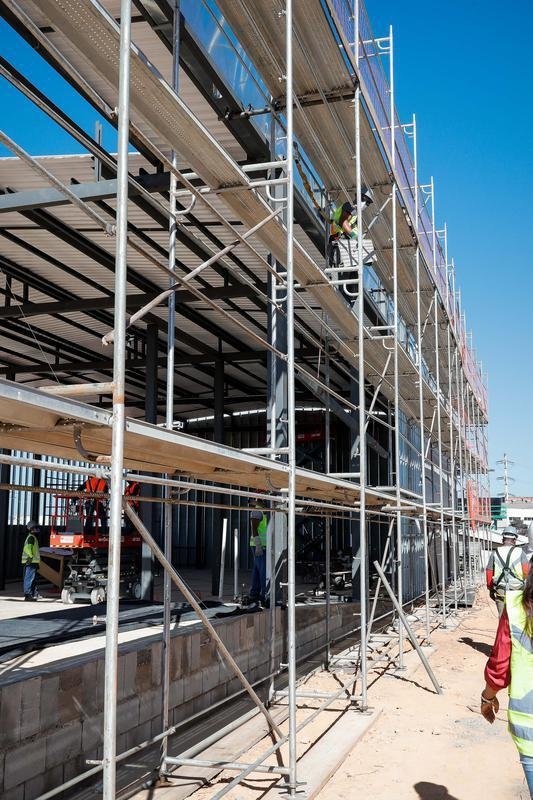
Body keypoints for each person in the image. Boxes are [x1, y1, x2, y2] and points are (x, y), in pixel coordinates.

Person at [481, 557, 533, 798]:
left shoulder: (497, 552)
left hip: (509, 598)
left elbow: (500, 666)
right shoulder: (520, 556)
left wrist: (487, 696)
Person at [486, 525, 530, 616]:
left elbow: (489, 572)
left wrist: (491, 590)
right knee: (516, 618)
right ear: (514, 540)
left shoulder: (495, 553)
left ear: (503, 539)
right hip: (517, 590)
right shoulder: (520, 552)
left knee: (502, 618)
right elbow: (526, 572)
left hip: (501, 590)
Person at [327, 185, 374, 269]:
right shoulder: (350, 206)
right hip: (338, 241)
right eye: (363, 199)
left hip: (347, 248)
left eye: (367, 203)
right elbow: (343, 221)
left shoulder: (357, 215)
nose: (365, 204)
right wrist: (354, 236)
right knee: (338, 272)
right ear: (358, 196)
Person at [249, 498, 268, 604]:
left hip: (262, 545)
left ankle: (254, 593)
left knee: (257, 570)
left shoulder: (264, 510)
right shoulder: (257, 511)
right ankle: (265, 593)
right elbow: (254, 528)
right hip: (259, 545)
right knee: (263, 570)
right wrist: (258, 545)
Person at [21, 520, 41, 601]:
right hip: (30, 561)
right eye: (36, 528)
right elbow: (27, 548)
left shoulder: (33, 537)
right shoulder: (31, 538)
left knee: (33, 578)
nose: (38, 529)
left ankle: (32, 594)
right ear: (32, 528)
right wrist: (31, 556)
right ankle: (27, 595)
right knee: (29, 578)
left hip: (33, 561)